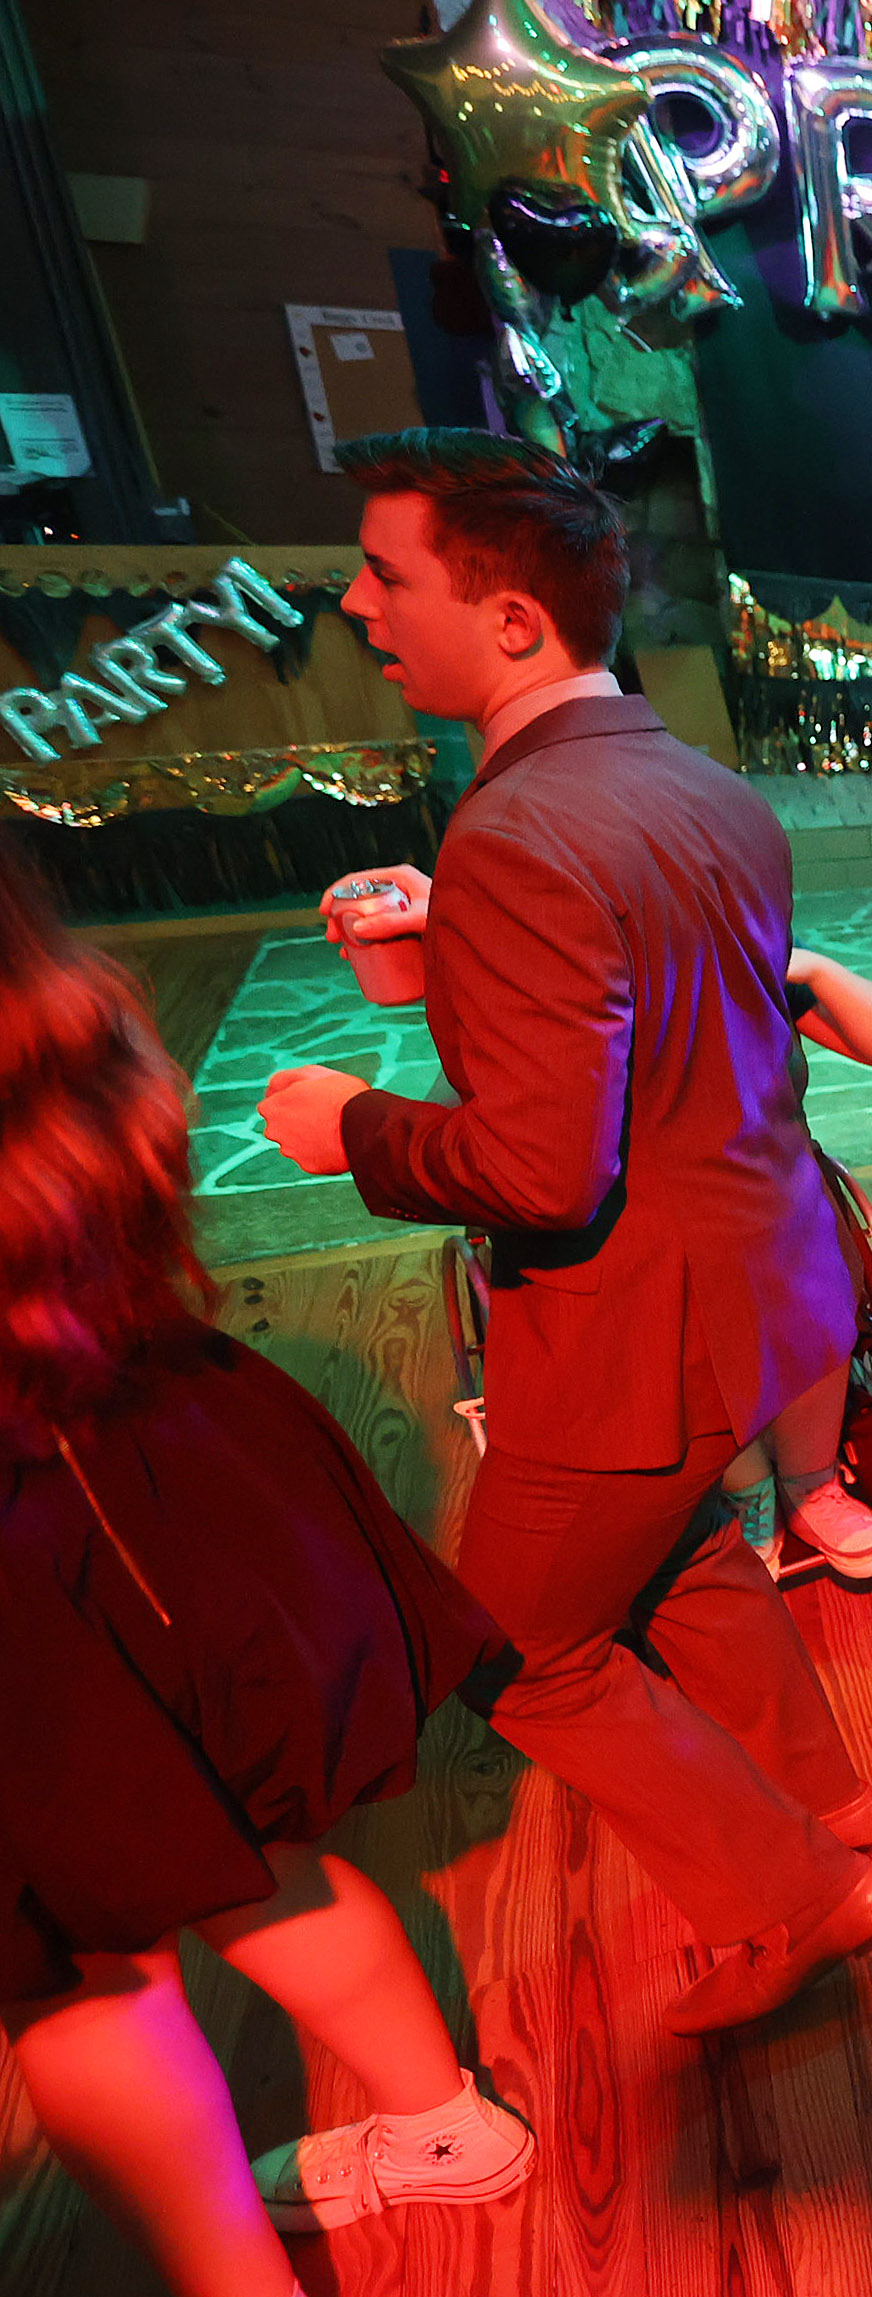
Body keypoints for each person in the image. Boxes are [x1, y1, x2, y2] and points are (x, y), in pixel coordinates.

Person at [254, 427, 872, 2041]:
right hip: (764, 1284)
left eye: (387, 573)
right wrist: (463, 958)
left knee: (518, 1643)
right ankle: (830, 1807)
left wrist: (351, 1126)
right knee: (680, 1546)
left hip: (634, 1326)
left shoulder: (518, 834)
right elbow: (675, 1032)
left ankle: (802, 1895)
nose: (356, 600)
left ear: (513, 621)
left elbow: (543, 1172)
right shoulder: (696, 781)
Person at [0, 839, 525, 2295]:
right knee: (248, 1853)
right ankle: (444, 2122)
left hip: (29, 1581)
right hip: (171, 1458)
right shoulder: (72, 1017)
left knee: (81, 1977)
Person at [710, 943, 872, 1582]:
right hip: (657, 1206)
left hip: (774, 1182)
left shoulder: (734, 952)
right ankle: (745, 1485)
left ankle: (811, 1481)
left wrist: (812, 967)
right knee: (692, 1317)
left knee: (816, 1276)